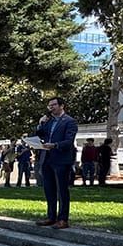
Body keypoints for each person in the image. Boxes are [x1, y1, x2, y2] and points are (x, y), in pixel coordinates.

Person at [34, 96, 78, 229]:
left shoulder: (69, 121)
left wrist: (54, 145)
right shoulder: (48, 121)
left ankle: (63, 218)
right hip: (47, 158)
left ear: (61, 106)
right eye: (49, 106)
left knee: (62, 190)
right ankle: (51, 216)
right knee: (49, 189)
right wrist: (40, 123)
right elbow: (40, 134)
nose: (51, 108)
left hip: (61, 159)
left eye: (53, 105)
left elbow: (69, 141)